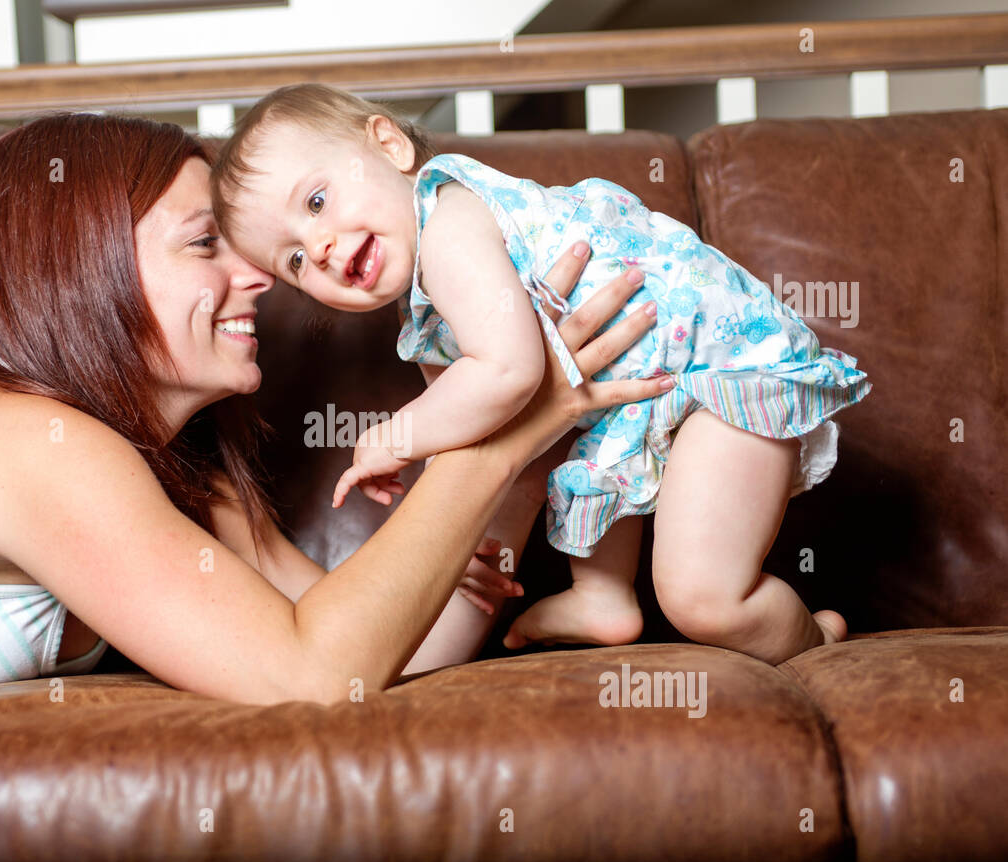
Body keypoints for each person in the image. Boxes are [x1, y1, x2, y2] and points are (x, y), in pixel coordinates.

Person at [0, 112, 671, 708]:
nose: (257, 276)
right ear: (81, 267)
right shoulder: (18, 442)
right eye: (205, 242)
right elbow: (309, 679)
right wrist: (494, 440)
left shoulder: (179, 466)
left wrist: (532, 442)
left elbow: (385, 654)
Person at [209, 82, 871, 666]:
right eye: (293, 259)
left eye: (317, 201)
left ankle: (812, 644)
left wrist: (391, 436)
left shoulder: (449, 222)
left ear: (388, 145)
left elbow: (511, 373)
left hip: (718, 367)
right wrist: (435, 499)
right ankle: (602, 596)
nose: (317, 248)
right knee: (586, 444)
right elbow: (485, 428)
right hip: (652, 394)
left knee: (702, 596)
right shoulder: (429, 321)